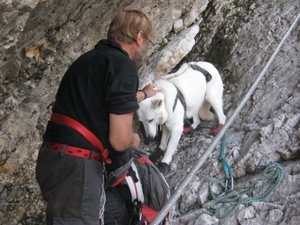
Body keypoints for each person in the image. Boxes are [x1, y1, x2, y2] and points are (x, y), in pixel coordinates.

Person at [36, 10, 156, 225]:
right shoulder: (123, 65)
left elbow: (106, 100)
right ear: (139, 37)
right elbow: (119, 141)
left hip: (54, 159)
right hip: (77, 166)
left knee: (114, 213)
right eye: (146, 40)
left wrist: (145, 94)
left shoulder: (88, 60)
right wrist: (133, 139)